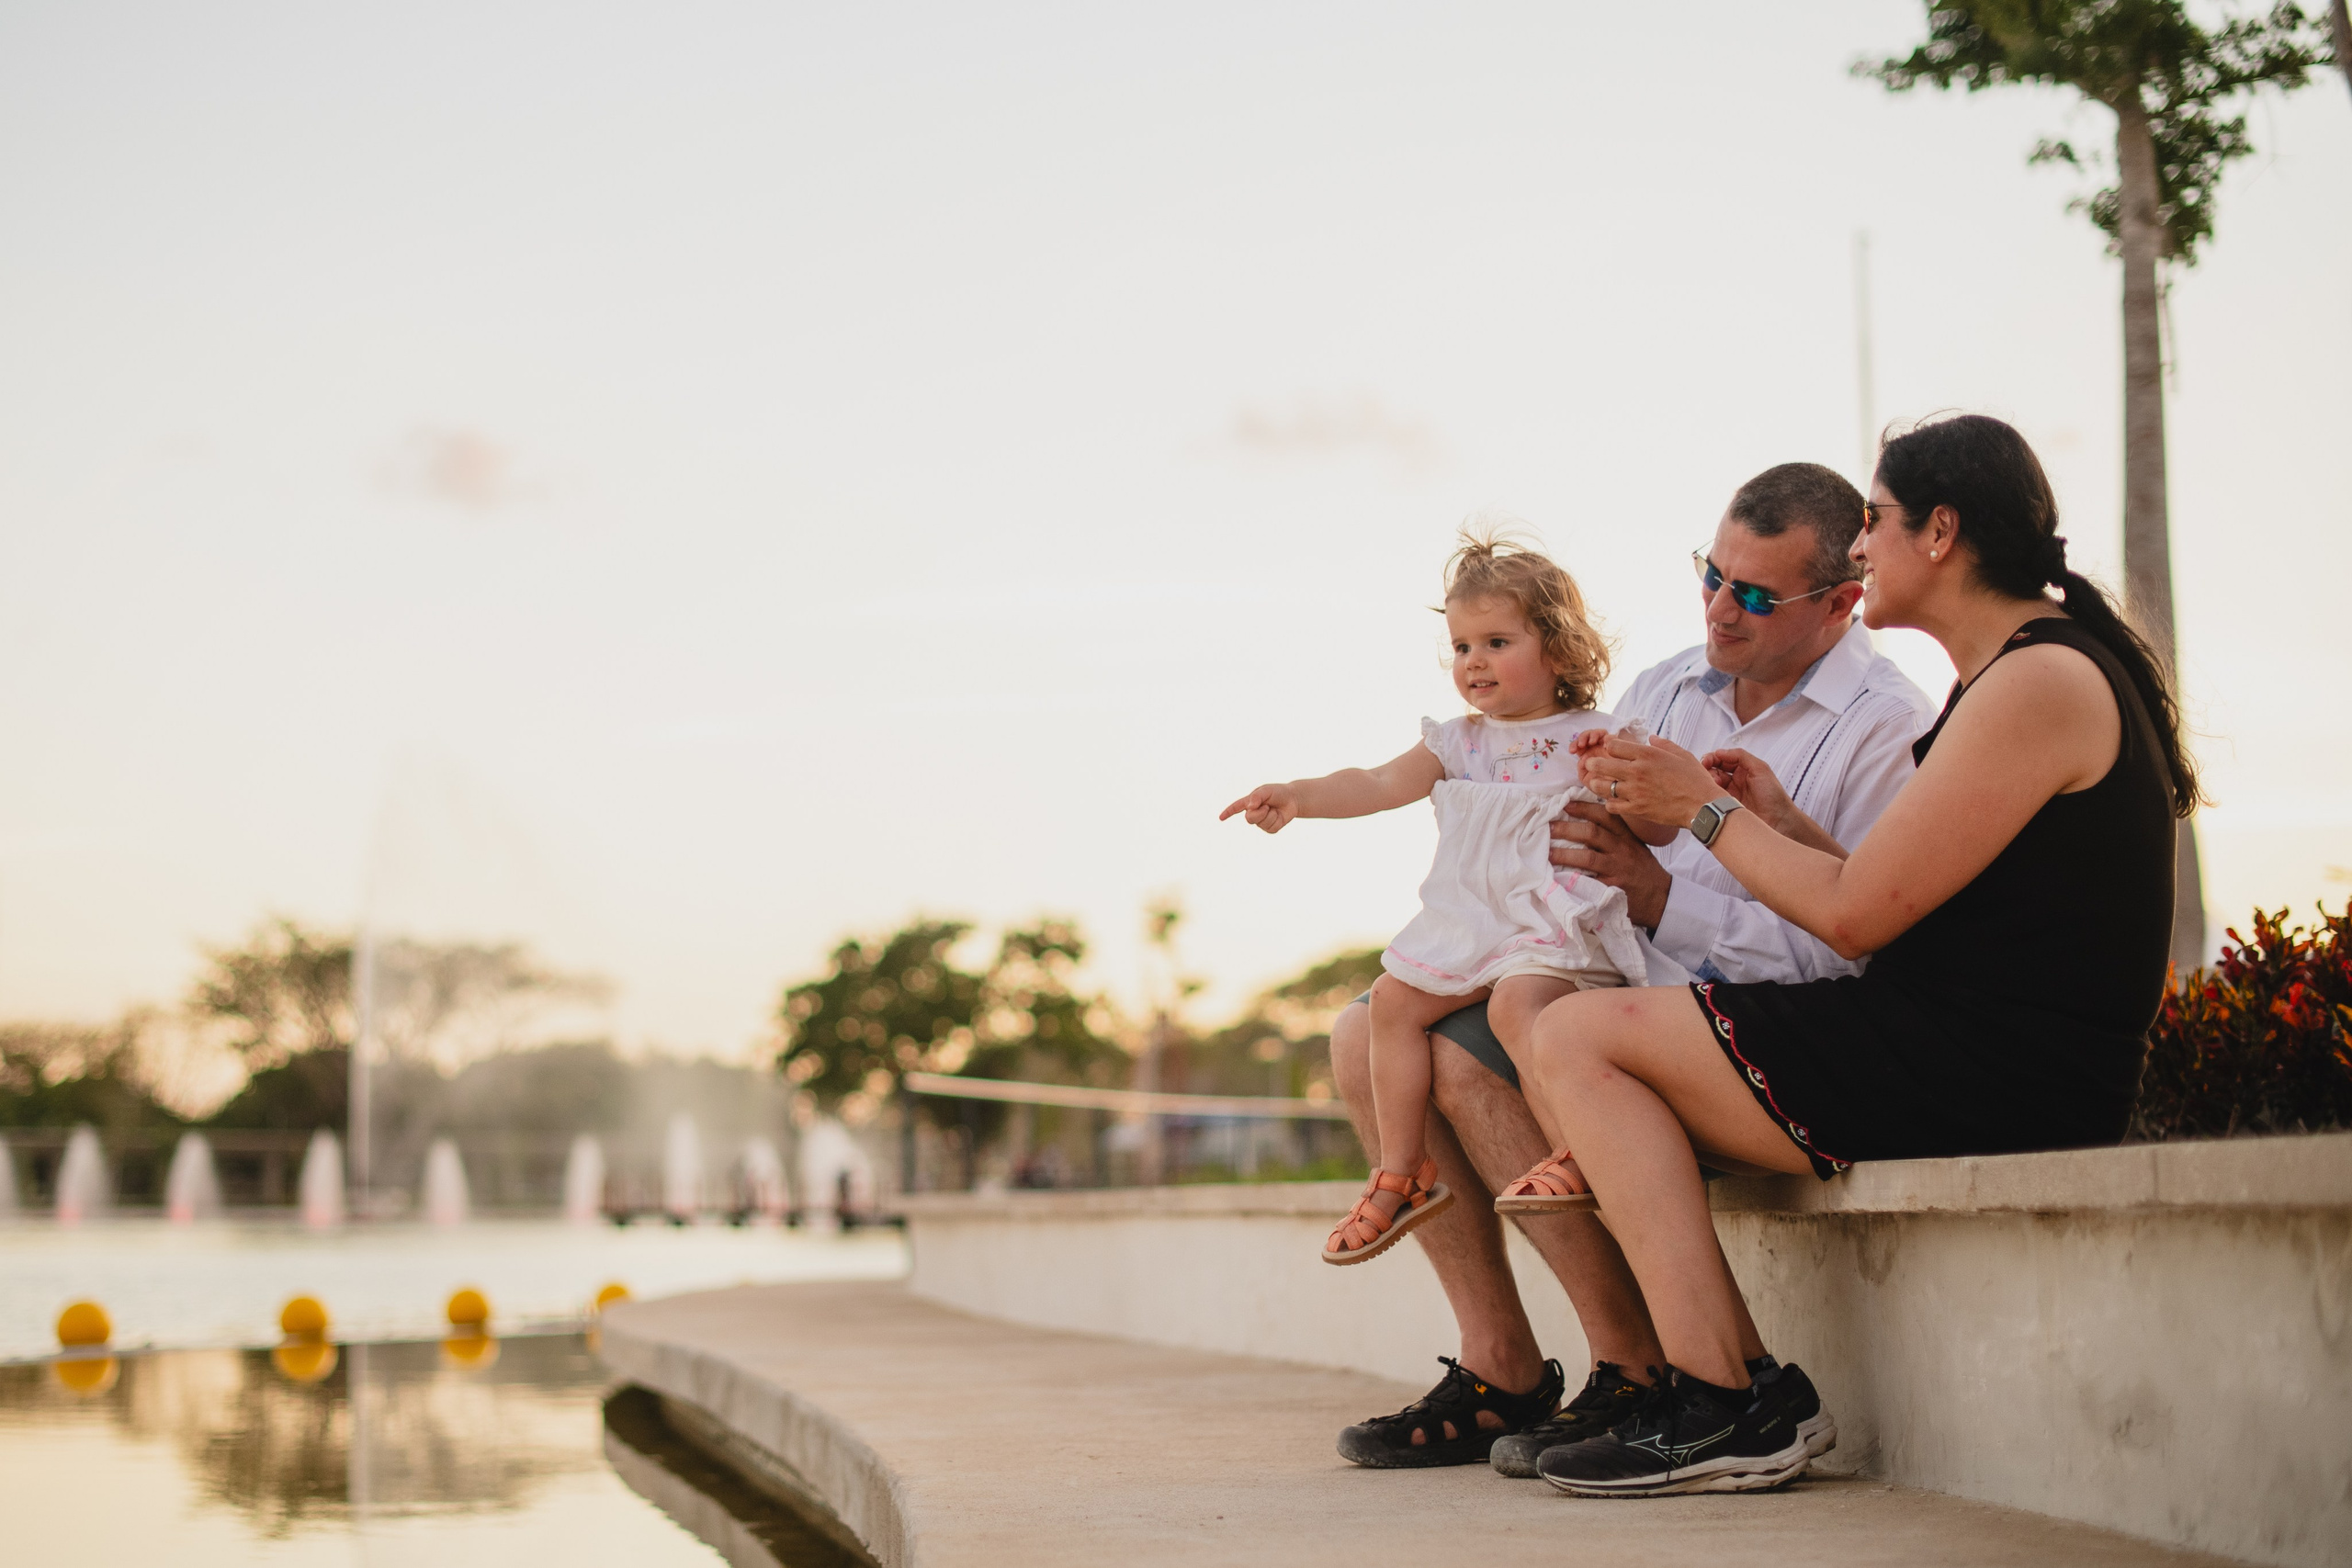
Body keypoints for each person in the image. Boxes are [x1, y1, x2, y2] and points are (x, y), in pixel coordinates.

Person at [1516, 413, 2191, 1496]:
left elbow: (1856, 921)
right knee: (1567, 1033)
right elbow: (1910, 896)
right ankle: (1734, 1390)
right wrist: (1778, 820)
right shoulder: (2017, 673)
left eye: (1874, 521)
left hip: (1999, 1071)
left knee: (1579, 1035)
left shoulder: (2038, 682)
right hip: (1963, 1040)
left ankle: (1723, 1401)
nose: (1863, 547)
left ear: (1940, 532)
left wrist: (1699, 813)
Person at [1325, 462, 1935, 1470]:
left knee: (1488, 1057)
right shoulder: (1666, 688)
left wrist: (1659, 894)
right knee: (1365, 1033)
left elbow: (1853, 944)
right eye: (1710, 575)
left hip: (1746, 1024)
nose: (1718, 611)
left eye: (1753, 595)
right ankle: (1501, 1367)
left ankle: (1634, 1367)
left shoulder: (1885, 726)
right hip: (1616, 978)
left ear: (1839, 603)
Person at [1221, 534, 1662, 1268]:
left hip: (1549, 917)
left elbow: (1656, 827)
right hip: (1469, 921)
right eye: (1461, 646)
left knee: (1519, 1008)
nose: (1474, 662)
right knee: (1391, 1003)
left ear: (1557, 649)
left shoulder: (1597, 735)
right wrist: (1299, 796)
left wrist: (1616, 782)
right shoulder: (1458, 742)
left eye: (1496, 641)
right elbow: (1374, 782)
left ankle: (1577, 1151)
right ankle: (1403, 1172)